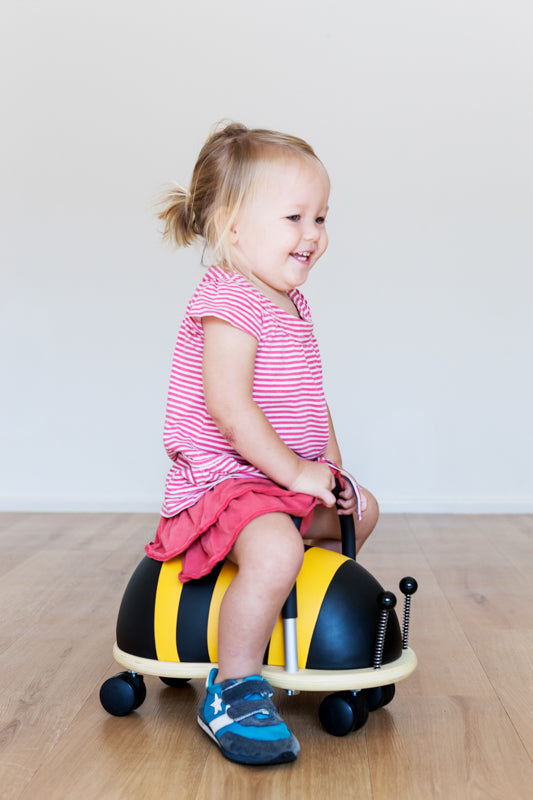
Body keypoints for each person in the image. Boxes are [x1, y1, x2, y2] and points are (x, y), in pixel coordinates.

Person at [145, 122, 379, 766]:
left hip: (276, 477)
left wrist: (327, 466)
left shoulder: (291, 302)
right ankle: (234, 686)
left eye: (321, 217)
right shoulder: (229, 299)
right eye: (294, 217)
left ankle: (296, 623)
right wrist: (295, 473)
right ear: (233, 226)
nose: (313, 234)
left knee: (362, 512)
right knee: (277, 548)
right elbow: (230, 409)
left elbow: (309, 395)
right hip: (225, 481)